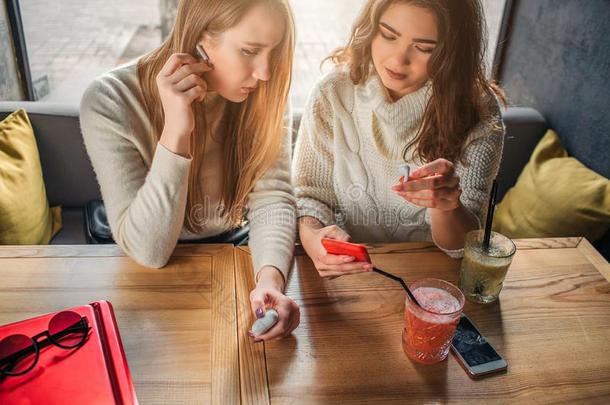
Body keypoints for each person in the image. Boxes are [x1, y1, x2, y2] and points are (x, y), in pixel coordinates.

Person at [80, 0, 299, 340]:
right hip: (147, 271)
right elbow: (149, 252)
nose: (265, 72)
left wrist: (270, 279)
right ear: (200, 39)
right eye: (249, 50)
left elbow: (272, 196)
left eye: (274, 51)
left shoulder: (266, 91)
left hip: (235, 251)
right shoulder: (110, 100)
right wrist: (176, 132)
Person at [294, 0, 505, 279]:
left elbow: (462, 247)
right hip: (349, 278)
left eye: (424, 48)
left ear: (452, 52)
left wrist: (447, 206)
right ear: (371, 28)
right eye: (388, 35)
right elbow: (310, 196)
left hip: (433, 279)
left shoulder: (478, 112)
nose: (397, 60)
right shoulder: (333, 94)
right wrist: (314, 238)